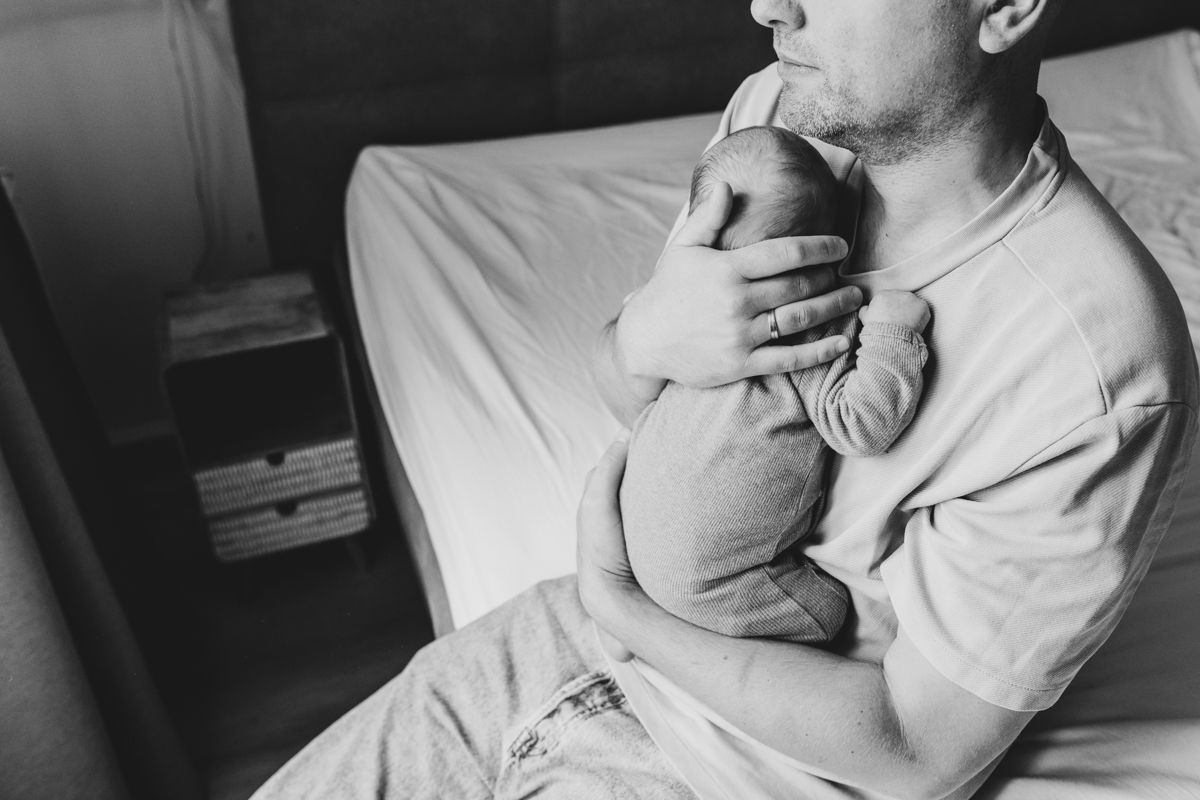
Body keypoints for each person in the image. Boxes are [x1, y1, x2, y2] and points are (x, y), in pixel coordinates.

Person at [251, 0, 1198, 798]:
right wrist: (641, 337)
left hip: (732, 772)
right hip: (558, 637)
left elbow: (917, 753)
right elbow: (655, 402)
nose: (766, 8)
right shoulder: (783, 119)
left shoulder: (1098, 366)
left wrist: (628, 614)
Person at [623, 124, 930, 644]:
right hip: (708, 582)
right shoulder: (808, 328)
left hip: (636, 533)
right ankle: (643, 632)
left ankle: (632, 629)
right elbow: (859, 426)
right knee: (831, 616)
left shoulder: (684, 310)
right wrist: (892, 334)